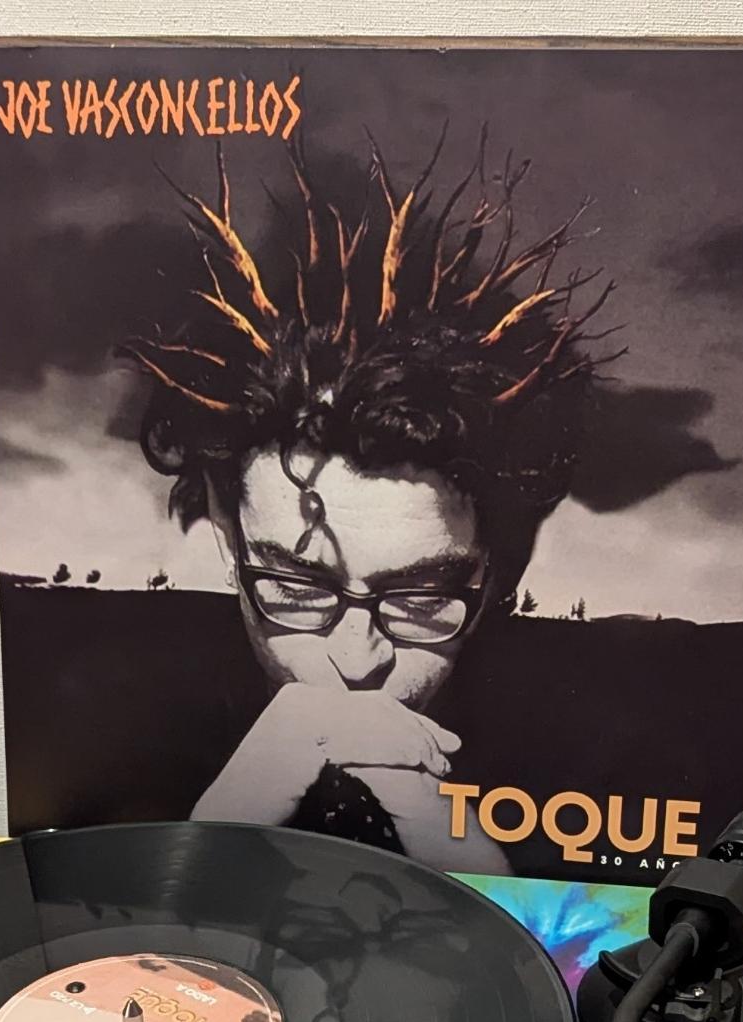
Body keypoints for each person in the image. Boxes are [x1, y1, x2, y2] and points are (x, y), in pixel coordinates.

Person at [121, 140, 617, 871]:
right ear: (228, 535)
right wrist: (215, 843)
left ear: (498, 573)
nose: (357, 662)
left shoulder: (588, 757)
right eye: (296, 589)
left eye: (420, 598)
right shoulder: (121, 739)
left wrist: (486, 886)